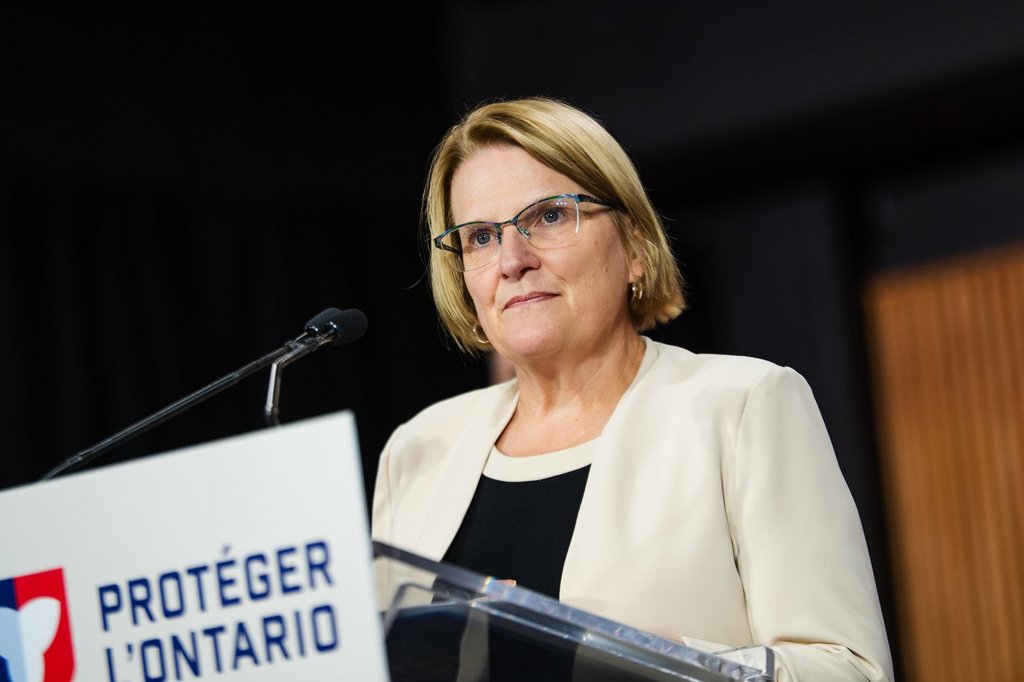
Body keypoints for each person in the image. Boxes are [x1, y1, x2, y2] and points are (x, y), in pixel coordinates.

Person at [371, 96, 894, 681]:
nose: (512, 260)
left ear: (636, 247)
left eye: (548, 216)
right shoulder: (419, 450)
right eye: (481, 237)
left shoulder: (742, 405)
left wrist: (650, 666)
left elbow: (849, 670)